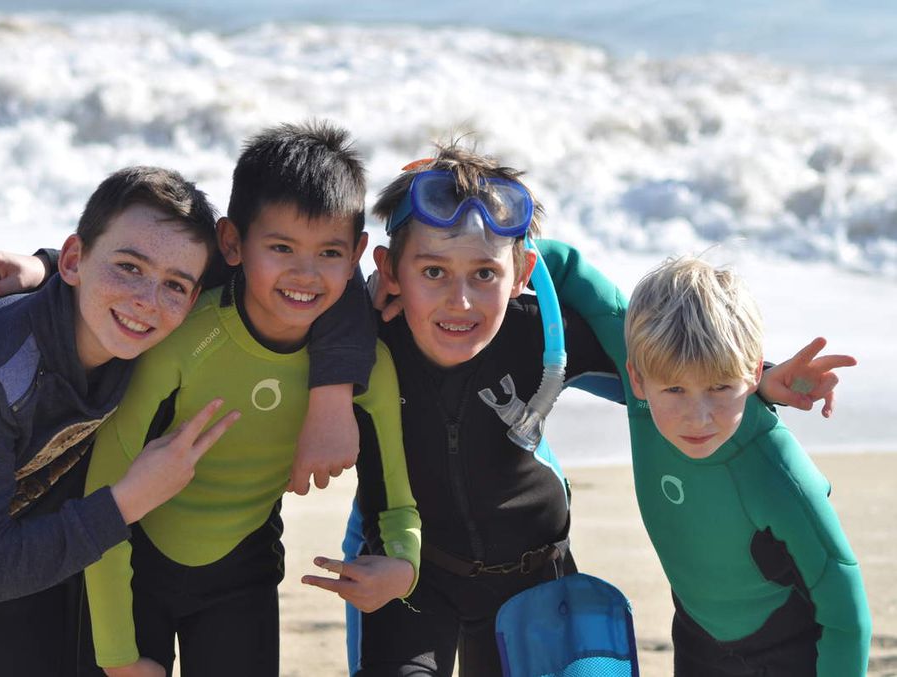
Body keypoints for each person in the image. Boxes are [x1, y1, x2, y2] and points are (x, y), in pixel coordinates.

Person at [309, 144, 857, 677]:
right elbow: (270, 311)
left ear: (521, 272)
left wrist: (757, 379)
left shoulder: (538, 333)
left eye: (484, 274)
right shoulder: (356, 337)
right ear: (389, 267)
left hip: (532, 578)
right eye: (432, 272)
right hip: (408, 575)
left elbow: (663, 369)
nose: (462, 301)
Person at [81, 121, 421, 677]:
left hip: (244, 580)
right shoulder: (182, 339)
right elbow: (103, 495)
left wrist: (403, 566)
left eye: (330, 252)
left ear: (359, 252)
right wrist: (117, 656)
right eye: (281, 247)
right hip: (132, 570)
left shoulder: (367, 370)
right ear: (233, 243)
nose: (304, 274)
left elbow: (396, 504)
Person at [0, 166, 242, 677]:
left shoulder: (131, 324)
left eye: (175, 286)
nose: (147, 300)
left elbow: (278, 273)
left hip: (25, 572)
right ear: (77, 260)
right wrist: (129, 500)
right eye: (130, 268)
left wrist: (41, 264)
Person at [622, 256, 870, 676]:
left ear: (754, 372)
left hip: (788, 658)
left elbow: (846, 614)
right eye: (676, 389)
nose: (697, 417)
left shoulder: (777, 475)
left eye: (720, 387)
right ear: (637, 379)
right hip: (697, 645)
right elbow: (567, 270)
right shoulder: (646, 370)